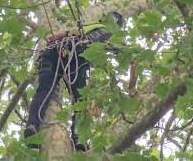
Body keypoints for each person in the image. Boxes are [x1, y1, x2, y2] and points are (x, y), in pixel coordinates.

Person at [24, 11, 124, 151]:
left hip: (53, 52)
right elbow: (118, 48)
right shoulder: (106, 32)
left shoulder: (88, 26)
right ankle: (78, 138)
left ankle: (32, 126)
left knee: (44, 90)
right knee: (80, 100)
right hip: (76, 55)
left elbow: (65, 34)